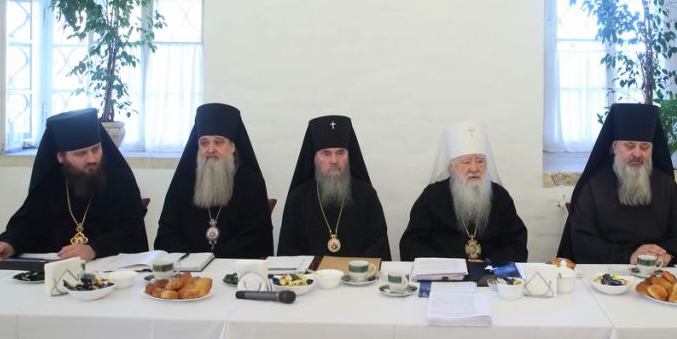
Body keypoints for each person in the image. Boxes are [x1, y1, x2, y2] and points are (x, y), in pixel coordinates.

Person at [0, 108, 148, 264]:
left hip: (108, 269)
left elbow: (131, 233)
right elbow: (28, 224)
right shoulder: (49, 182)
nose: (92, 159)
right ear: (60, 157)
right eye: (81, 153)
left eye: (96, 149)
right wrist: (9, 244)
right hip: (56, 270)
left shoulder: (120, 180)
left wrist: (94, 249)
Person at [558, 103, 677, 265]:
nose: (637, 153)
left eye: (645, 147)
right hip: (607, 272)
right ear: (615, 147)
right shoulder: (593, 186)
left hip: (657, 270)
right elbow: (583, 242)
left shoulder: (665, 185)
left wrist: (666, 254)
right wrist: (629, 257)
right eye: (630, 146)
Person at [155, 103, 273, 259]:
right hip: (187, 268)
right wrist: (193, 259)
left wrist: (214, 258)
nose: (210, 149)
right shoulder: (183, 182)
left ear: (232, 147)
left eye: (218, 142)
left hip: (233, 268)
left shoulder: (251, 183)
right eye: (204, 143)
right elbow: (166, 233)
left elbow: (256, 237)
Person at [400, 120, 527, 262]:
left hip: (491, 273)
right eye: (466, 162)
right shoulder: (432, 197)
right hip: (446, 274)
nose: (474, 168)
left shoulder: (500, 197)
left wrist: (489, 263)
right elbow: (412, 245)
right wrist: (450, 266)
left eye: (480, 161)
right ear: (451, 167)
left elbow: (517, 243)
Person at [278, 115, 391, 259]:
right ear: (314, 159)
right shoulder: (298, 198)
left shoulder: (367, 195)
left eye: (340, 153)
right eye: (326, 154)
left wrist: (355, 269)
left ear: (348, 157)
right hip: (311, 273)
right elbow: (288, 250)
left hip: (358, 272)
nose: (334, 160)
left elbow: (378, 243)